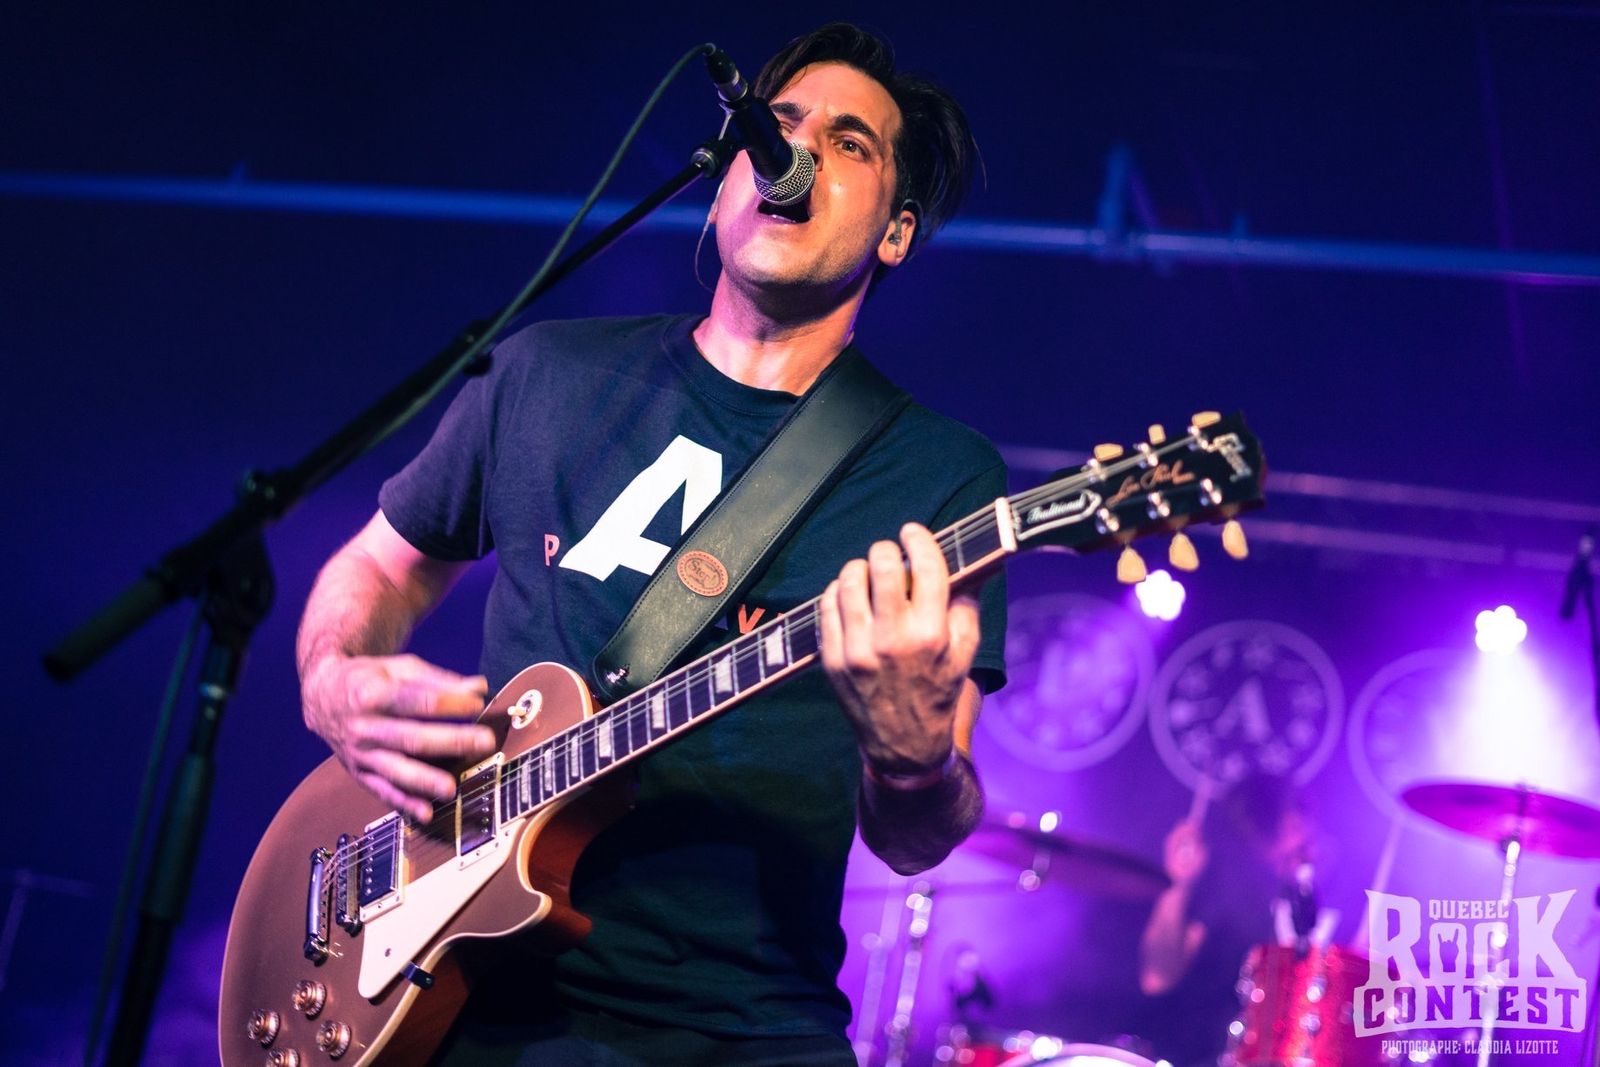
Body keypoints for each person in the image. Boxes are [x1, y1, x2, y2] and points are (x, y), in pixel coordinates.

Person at [294, 23, 1007, 1065]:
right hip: (456, 988)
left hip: (738, 1028)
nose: (796, 150)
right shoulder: (544, 372)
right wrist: (331, 676)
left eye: (848, 143)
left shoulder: (938, 477)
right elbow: (379, 566)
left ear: (895, 232)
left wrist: (911, 760)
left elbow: (917, 839)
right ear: (724, 181)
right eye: (779, 124)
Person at [1135, 775, 1316, 1065]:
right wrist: (1178, 883)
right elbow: (1156, 977)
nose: (1308, 838)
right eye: (1295, 821)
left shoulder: (1310, 904)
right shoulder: (1232, 887)